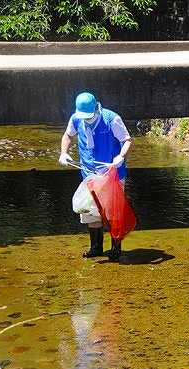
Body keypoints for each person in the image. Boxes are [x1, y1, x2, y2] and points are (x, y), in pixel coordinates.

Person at [58, 92, 132, 261]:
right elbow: (68, 135)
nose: (86, 119)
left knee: (113, 212)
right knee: (90, 212)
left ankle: (115, 249)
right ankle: (96, 247)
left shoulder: (111, 119)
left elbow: (127, 140)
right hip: (89, 174)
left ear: (97, 108)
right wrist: (64, 152)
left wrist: (120, 157)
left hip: (112, 174)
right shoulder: (76, 118)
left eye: (89, 116)